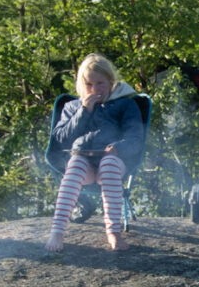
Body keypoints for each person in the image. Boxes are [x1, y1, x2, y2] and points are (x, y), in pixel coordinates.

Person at [45, 54, 147, 252]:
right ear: (82, 85)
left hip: (114, 161)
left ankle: (113, 233)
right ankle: (57, 231)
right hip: (84, 161)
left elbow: (135, 138)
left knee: (108, 164)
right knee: (74, 165)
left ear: (111, 82)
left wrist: (118, 148)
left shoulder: (125, 104)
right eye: (89, 84)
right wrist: (83, 111)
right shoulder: (72, 107)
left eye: (100, 83)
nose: (95, 89)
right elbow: (60, 138)